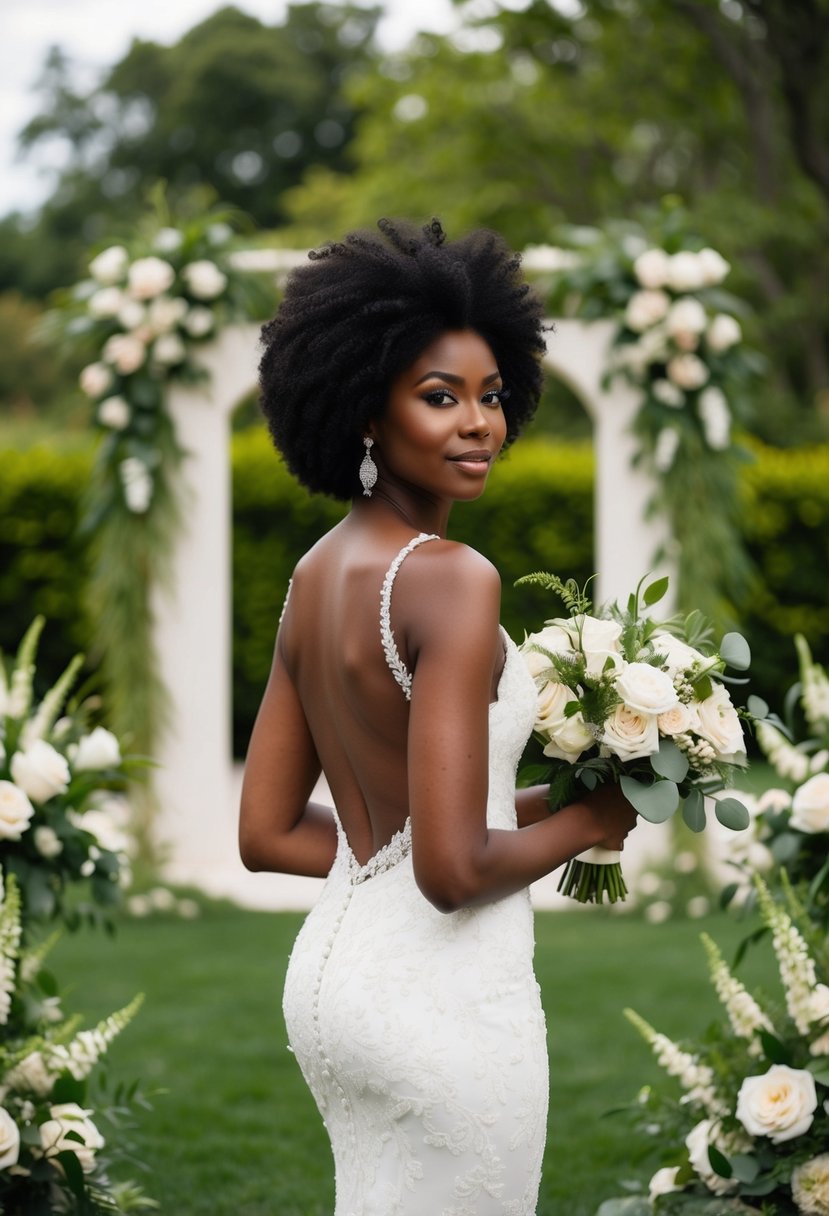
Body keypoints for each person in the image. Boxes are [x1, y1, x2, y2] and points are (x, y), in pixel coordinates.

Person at [239, 218, 637, 1216]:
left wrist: (563, 793)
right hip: (442, 1004)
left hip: (334, 991)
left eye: (492, 396)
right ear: (365, 412)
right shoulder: (454, 580)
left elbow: (270, 832)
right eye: (438, 397)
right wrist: (588, 826)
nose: (479, 423)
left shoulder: (314, 573)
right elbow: (451, 870)